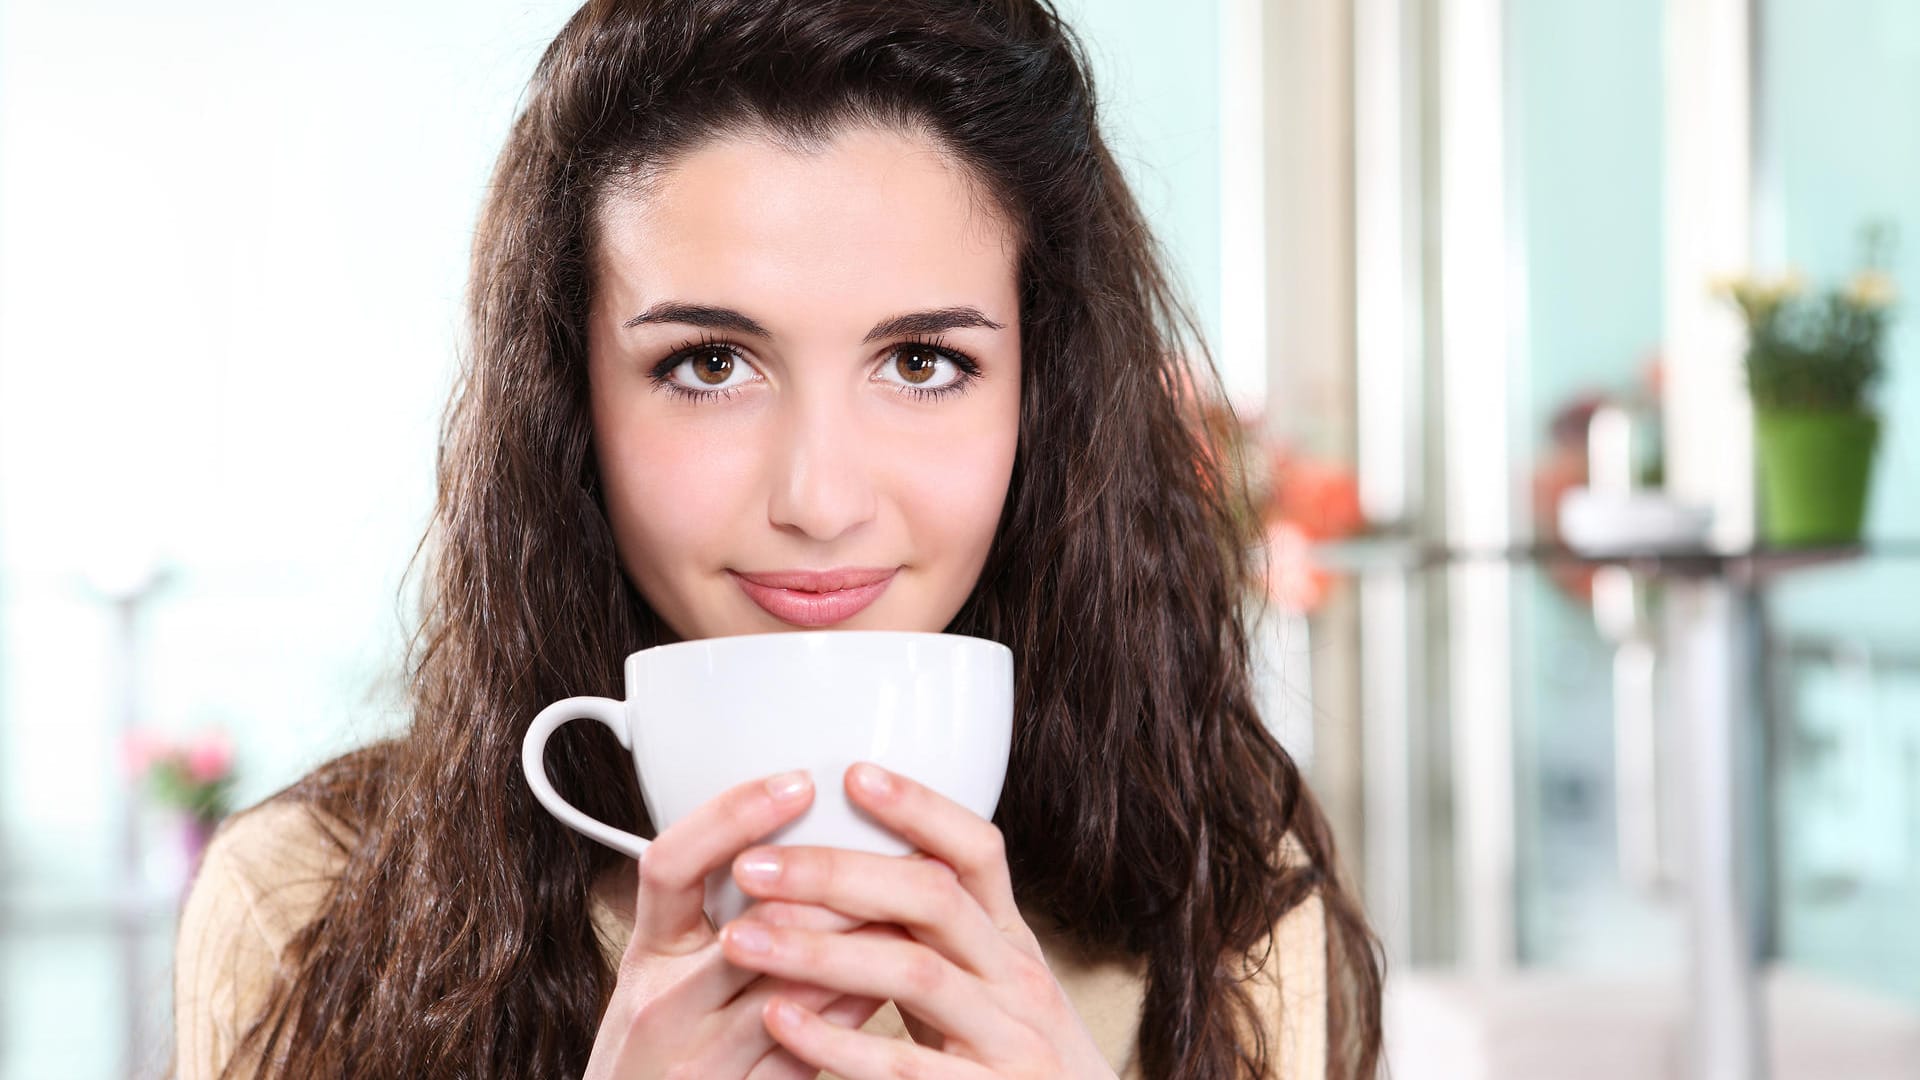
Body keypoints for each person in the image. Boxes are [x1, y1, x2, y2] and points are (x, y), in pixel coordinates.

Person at [171, 1, 1384, 1076]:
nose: (818, 495)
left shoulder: (1226, 915)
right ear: (570, 401)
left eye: (923, 363)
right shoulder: (305, 903)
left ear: (1044, 397)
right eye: (708, 364)